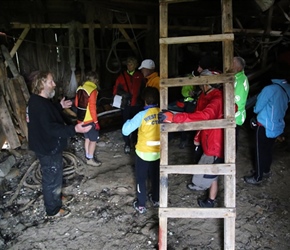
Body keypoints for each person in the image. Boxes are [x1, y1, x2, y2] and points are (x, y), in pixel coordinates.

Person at [27, 71, 92, 217]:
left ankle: (56, 197)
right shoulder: (39, 105)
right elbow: (51, 128)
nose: (54, 84)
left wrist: (59, 106)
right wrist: (74, 129)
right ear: (42, 84)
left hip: (46, 145)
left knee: (56, 174)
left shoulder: (38, 100)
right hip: (47, 148)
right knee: (51, 178)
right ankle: (53, 210)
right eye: (50, 82)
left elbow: (48, 114)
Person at [158, 70, 224, 208]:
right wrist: (198, 136)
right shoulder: (205, 95)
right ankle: (207, 195)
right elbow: (198, 115)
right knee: (208, 167)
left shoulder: (217, 98)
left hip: (214, 141)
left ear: (206, 83)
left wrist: (175, 118)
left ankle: (210, 201)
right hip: (206, 137)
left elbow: (205, 116)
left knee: (212, 170)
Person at [243, 74, 290, 185]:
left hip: (264, 125)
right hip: (277, 125)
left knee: (259, 151)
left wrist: (255, 110)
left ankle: (257, 177)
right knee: (268, 150)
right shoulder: (287, 89)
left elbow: (257, 107)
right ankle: (266, 170)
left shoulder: (270, 89)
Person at [122, 87, 160, 214]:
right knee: (155, 177)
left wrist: (128, 120)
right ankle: (156, 199)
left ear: (144, 100)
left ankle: (141, 204)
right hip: (158, 153)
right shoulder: (163, 113)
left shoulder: (142, 115)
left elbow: (125, 131)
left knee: (141, 179)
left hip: (143, 153)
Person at [113, 56, 144, 154]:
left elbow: (144, 88)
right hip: (126, 105)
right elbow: (115, 90)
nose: (130, 66)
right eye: (128, 64)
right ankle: (127, 143)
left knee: (137, 124)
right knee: (126, 124)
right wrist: (123, 94)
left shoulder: (140, 76)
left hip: (137, 104)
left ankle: (134, 141)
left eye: (132, 64)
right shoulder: (121, 76)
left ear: (136, 65)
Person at [75, 71, 102, 167]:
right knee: (93, 140)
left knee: (87, 138)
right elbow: (92, 108)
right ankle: (90, 159)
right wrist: (96, 122)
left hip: (80, 120)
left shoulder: (79, 88)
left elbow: (76, 104)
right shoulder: (93, 90)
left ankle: (87, 156)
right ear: (95, 80)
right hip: (89, 120)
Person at [233, 56, 249, 146]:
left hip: (235, 116)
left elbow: (236, 102)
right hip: (236, 115)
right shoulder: (239, 77)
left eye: (232, 64)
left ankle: (231, 159)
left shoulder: (239, 81)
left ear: (238, 68)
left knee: (232, 140)